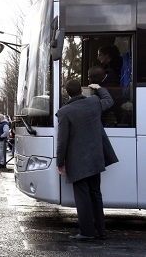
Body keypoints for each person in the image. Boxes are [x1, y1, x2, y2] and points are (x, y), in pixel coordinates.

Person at [56, 79, 118, 241]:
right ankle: (101, 232)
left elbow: (62, 140)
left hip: (77, 161)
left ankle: (87, 232)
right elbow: (109, 100)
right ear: (81, 91)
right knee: (96, 194)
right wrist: (99, 88)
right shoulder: (93, 102)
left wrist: (60, 162)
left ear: (67, 93)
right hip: (95, 158)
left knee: (82, 197)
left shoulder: (65, 111)